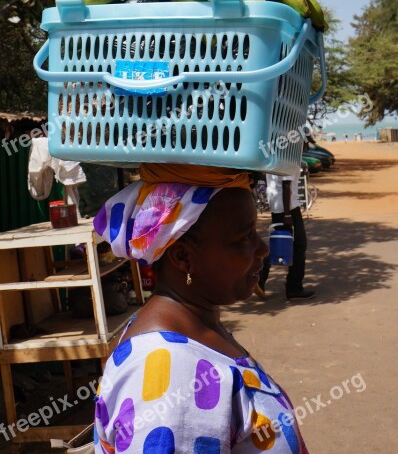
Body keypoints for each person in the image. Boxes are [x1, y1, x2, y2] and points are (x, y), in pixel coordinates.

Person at [93, 164, 309, 452]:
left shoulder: (199, 328)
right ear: (183, 257)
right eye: (244, 238)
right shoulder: (170, 372)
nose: (263, 249)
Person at [255, 169, 316, 301]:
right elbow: (286, 184)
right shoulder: (288, 152)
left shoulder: (278, 152)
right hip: (287, 208)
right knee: (299, 245)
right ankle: (293, 288)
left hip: (279, 205)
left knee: (281, 243)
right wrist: (288, 214)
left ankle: (259, 277)